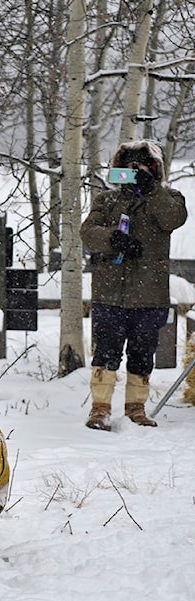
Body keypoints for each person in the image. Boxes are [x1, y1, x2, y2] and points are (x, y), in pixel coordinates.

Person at [80, 140, 188, 431]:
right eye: (129, 166)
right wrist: (113, 238)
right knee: (106, 352)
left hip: (149, 295)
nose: (134, 171)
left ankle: (136, 409)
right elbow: (87, 232)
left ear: (155, 169)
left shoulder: (170, 198)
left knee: (142, 354)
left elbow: (172, 219)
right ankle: (99, 409)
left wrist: (151, 188)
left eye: (141, 166)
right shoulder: (107, 200)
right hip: (110, 292)